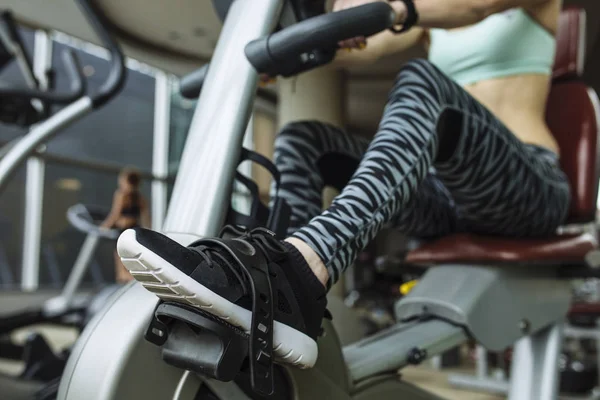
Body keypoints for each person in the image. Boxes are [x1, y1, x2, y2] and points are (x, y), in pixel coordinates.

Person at [116, 0, 569, 369]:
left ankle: (304, 268)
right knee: (304, 138)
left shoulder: (466, 6)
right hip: (441, 198)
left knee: (423, 80)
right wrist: (307, 37)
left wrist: (396, 8)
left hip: (524, 190)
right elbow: (362, 43)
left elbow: (472, 6)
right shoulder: (428, 21)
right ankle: (268, 288)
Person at [101, 167, 150, 283]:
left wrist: (105, 226)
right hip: (132, 230)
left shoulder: (122, 195)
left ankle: (129, 279)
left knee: (121, 261)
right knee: (127, 258)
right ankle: (129, 278)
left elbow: (115, 214)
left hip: (124, 231)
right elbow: (146, 218)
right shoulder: (139, 197)